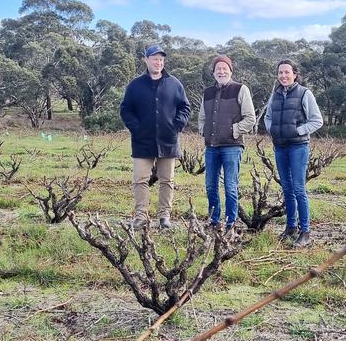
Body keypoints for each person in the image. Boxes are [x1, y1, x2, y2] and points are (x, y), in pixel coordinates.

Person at [120, 45, 191, 229]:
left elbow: (185, 107)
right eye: (154, 59)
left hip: (168, 141)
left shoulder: (174, 84)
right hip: (142, 142)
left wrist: (176, 125)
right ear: (146, 60)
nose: (158, 62)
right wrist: (136, 128)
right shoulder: (135, 85)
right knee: (140, 180)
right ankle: (141, 217)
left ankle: (164, 217)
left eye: (161, 59)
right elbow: (126, 109)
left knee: (167, 180)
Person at [264, 59, 323, 247]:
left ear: (295, 74)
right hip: (280, 146)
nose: (283, 75)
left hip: (298, 147)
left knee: (299, 189)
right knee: (287, 189)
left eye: (287, 72)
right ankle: (291, 228)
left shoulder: (305, 93)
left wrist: (298, 131)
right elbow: (268, 117)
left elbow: (317, 120)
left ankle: (305, 232)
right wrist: (273, 129)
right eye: (280, 72)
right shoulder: (275, 95)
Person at [199, 55, 255, 231]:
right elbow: (202, 117)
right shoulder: (207, 92)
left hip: (232, 146)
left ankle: (231, 222)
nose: (221, 71)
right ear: (213, 72)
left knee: (230, 185)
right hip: (211, 147)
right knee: (210, 185)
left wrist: (234, 131)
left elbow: (250, 118)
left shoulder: (240, 89)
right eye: (218, 69)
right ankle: (214, 220)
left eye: (225, 68)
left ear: (230, 70)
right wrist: (204, 131)